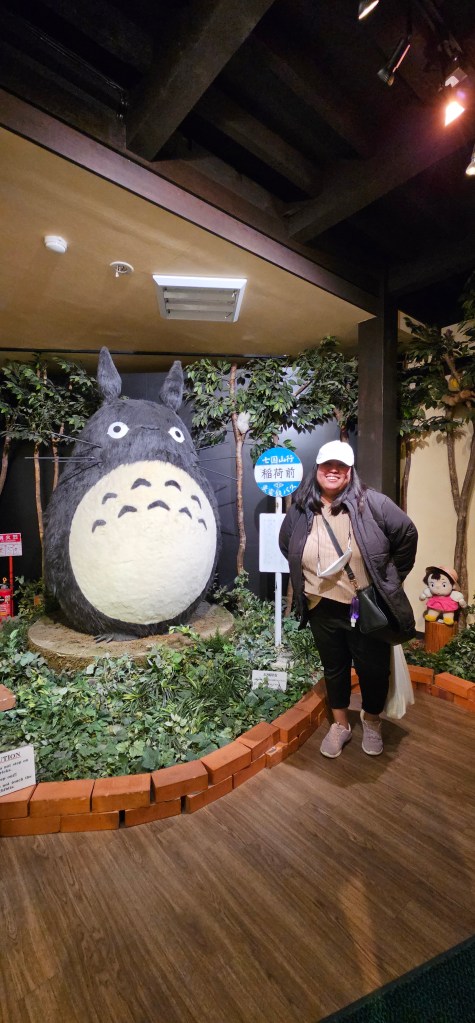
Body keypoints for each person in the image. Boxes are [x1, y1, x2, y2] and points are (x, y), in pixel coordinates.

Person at [279, 439, 418, 758]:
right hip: (320, 606)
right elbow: (287, 544)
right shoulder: (301, 509)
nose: (333, 470)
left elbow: (407, 535)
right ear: (317, 468)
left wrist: (388, 579)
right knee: (334, 668)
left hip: (361, 606)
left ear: (350, 471)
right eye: (327, 464)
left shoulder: (373, 504)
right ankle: (340, 724)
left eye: (340, 466)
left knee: (373, 669)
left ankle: (372, 721)